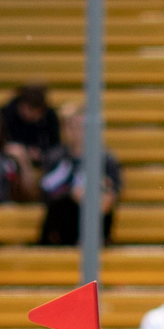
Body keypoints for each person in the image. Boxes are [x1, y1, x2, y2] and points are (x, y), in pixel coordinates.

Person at [35, 105, 122, 247]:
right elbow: (46, 190)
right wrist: (72, 193)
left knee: (99, 203)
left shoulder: (105, 159)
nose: (79, 132)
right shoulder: (56, 157)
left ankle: (94, 244)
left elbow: (114, 192)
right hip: (64, 217)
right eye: (75, 127)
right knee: (62, 205)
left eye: (84, 127)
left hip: (94, 214)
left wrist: (94, 194)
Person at [0, 84, 61, 163]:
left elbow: (54, 141)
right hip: (11, 157)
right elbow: (1, 143)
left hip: (43, 157)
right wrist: (25, 150)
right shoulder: (5, 115)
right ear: (24, 106)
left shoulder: (49, 115)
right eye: (33, 112)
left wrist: (42, 151)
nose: (36, 116)